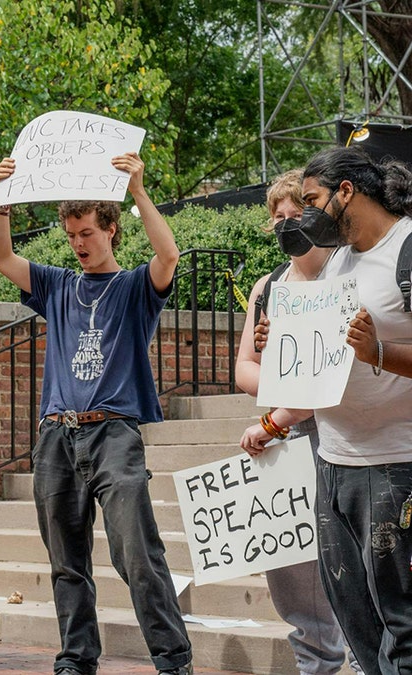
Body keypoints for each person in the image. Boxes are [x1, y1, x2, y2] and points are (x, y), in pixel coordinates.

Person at [0, 154, 193, 675]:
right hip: (57, 434)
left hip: (113, 432)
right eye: (71, 234)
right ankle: (77, 659)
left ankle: (173, 662)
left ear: (111, 230)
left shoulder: (135, 287)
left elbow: (168, 256)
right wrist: (1, 202)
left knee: (138, 555)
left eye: (87, 233)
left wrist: (139, 190)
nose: (78, 243)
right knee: (66, 561)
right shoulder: (58, 284)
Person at [241, 146, 412, 674]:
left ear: (346, 192)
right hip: (335, 463)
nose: (305, 216)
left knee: (402, 621)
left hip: (396, 464)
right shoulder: (338, 259)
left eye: (311, 201)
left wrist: (378, 352)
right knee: (355, 616)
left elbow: (368, 350)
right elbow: (320, 363)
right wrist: (280, 344)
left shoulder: (406, 249)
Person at [232, 170, 350, 675]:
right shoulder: (269, 287)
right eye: (278, 216)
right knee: (292, 568)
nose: (287, 223)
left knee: (346, 558)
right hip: (288, 438)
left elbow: (331, 376)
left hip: (340, 434)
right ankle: (316, 664)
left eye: (296, 214)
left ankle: (365, 660)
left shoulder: (346, 274)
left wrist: (277, 416)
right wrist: (283, 382)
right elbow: (243, 368)